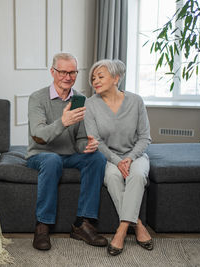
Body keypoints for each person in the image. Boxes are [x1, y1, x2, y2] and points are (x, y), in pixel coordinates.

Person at [27, 52, 108, 251]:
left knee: (96, 158)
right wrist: (63, 122)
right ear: (52, 72)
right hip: (40, 154)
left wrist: (86, 145)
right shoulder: (37, 98)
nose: (67, 77)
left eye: (72, 72)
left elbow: (79, 138)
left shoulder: (80, 99)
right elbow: (38, 135)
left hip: (70, 155)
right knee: (52, 160)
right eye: (62, 71)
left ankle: (83, 224)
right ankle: (43, 226)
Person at [84, 59, 153, 256]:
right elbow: (96, 141)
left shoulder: (136, 101)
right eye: (93, 77)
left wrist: (130, 158)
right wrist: (117, 161)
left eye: (100, 76)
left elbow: (144, 137)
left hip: (136, 154)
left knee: (138, 176)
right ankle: (137, 224)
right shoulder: (90, 105)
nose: (95, 81)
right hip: (108, 157)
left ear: (116, 78)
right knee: (114, 177)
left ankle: (121, 231)